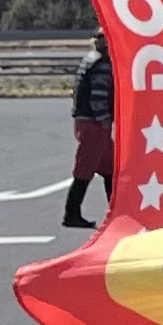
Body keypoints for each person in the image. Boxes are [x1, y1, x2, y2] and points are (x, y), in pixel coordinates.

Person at [61, 48, 113, 230]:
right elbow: (98, 95)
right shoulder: (102, 65)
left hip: (86, 119)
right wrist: (105, 119)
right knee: (85, 169)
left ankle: (116, 211)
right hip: (94, 122)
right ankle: (71, 214)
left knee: (110, 167)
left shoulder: (92, 58)